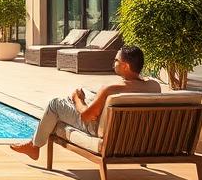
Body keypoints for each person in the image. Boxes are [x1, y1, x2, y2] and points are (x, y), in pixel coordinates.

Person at [10, 45, 160, 161]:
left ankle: (34, 146)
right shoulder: (154, 86)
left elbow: (86, 118)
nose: (113, 63)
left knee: (55, 105)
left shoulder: (111, 90)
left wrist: (77, 99)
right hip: (139, 137)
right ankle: (35, 142)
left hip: (105, 133)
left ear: (126, 66)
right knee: (87, 96)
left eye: (116, 60)